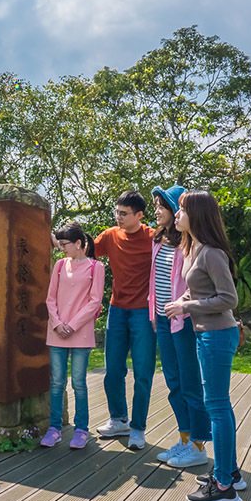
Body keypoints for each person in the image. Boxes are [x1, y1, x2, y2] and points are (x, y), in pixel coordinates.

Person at [165, 190, 243, 501]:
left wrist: (188, 306)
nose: (177, 214)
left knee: (217, 407)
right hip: (206, 335)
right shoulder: (193, 249)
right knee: (218, 406)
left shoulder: (212, 253)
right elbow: (199, 290)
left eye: (182, 210)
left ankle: (223, 485)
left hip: (218, 336)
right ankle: (231, 473)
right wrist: (182, 302)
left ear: (195, 216)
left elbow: (228, 298)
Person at [149, 185, 211, 469]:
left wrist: (182, 309)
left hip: (183, 321)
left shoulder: (187, 244)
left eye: (161, 205)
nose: (157, 211)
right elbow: (154, 281)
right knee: (173, 383)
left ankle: (199, 445)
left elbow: (191, 285)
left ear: (175, 209)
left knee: (189, 383)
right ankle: (185, 438)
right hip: (162, 320)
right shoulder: (158, 240)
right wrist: (154, 310)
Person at [92, 191, 156, 450]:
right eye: (116, 212)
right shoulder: (110, 236)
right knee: (113, 369)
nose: (118, 217)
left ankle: (138, 428)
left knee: (143, 373)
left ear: (139, 215)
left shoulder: (154, 238)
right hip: (116, 310)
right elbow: (83, 250)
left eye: (123, 213)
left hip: (143, 313)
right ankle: (119, 419)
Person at [41, 222, 106, 450]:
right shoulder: (59, 266)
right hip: (57, 332)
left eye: (65, 244)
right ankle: (54, 429)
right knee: (56, 383)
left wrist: (73, 325)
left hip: (80, 333)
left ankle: (81, 430)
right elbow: (50, 299)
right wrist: (58, 324)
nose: (62, 248)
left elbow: (95, 301)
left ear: (78, 243)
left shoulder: (96, 267)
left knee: (79, 383)